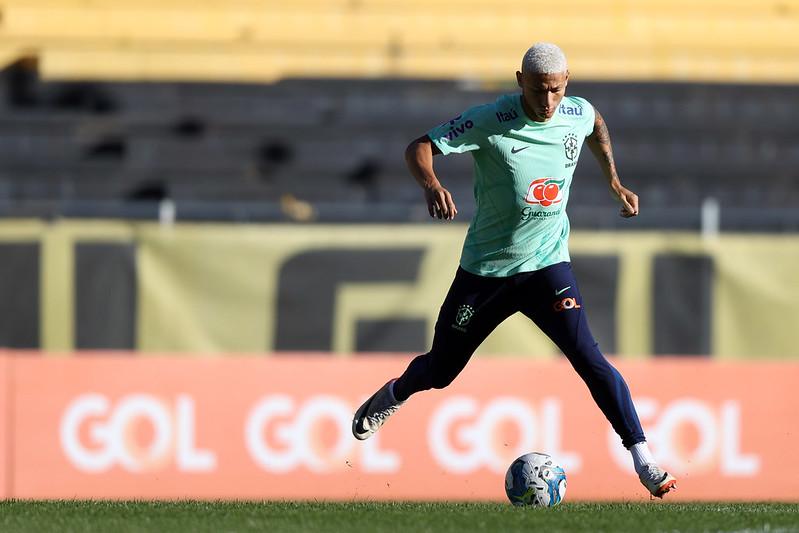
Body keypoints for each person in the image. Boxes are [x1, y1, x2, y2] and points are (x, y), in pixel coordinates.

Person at [351, 43, 677, 498]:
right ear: (519, 80)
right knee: (442, 370)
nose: (548, 102)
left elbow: (595, 124)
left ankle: (643, 459)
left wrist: (613, 180)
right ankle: (395, 393)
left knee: (589, 357)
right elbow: (419, 147)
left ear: (567, 83)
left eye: (557, 91)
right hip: (485, 273)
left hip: (547, 267)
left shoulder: (576, 112)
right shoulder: (490, 120)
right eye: (540, 90)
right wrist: (432, 184)